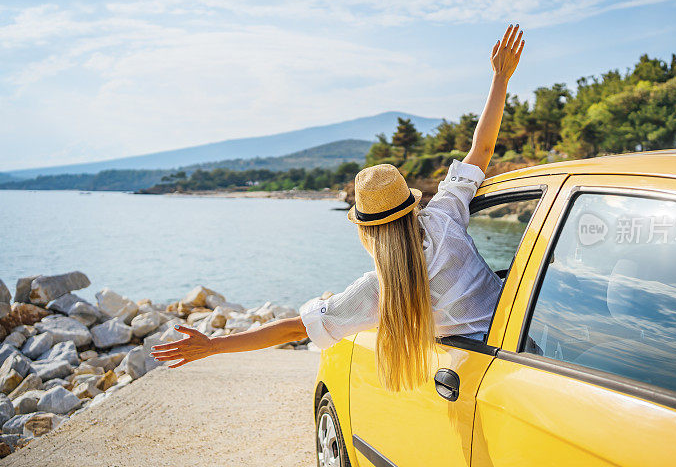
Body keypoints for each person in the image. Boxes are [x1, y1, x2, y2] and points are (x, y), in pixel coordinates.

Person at [151, 24, 526, 392]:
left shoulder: (379, 290)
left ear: (365, 230)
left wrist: (214, 345)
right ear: (413, 205)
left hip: (480, 373)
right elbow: (481, 150)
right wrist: (500, 77)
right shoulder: (443, 217)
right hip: (526, 337)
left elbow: (296, 328)